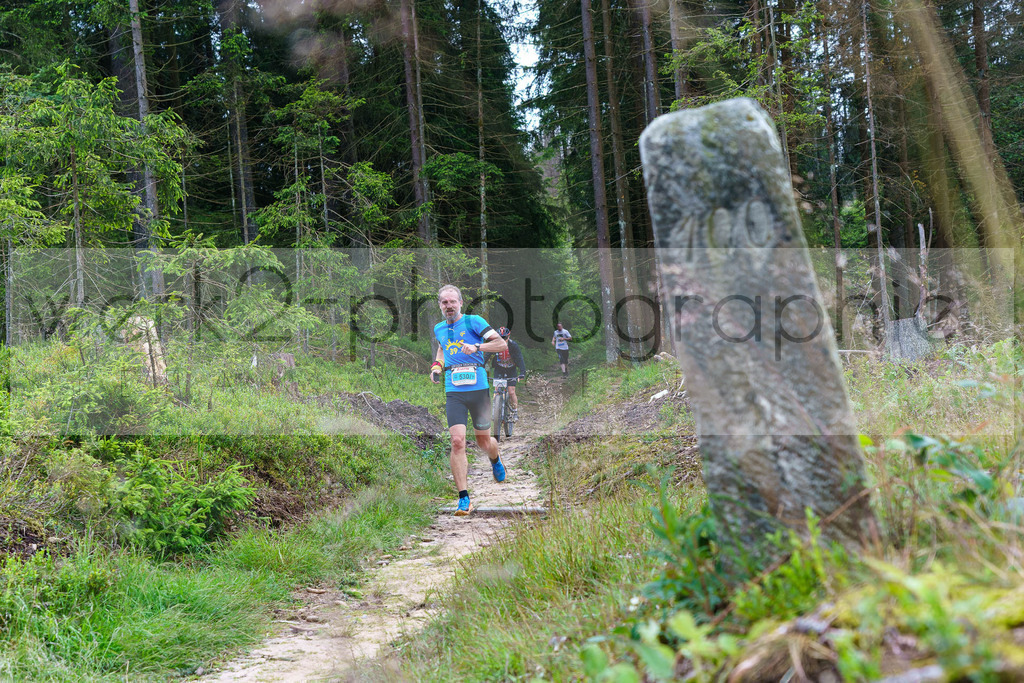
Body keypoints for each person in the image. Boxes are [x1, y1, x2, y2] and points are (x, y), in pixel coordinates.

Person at [430, 284, 508, 516]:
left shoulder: (474, 322)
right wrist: (437, 366)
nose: (449, 306)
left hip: (478, 388)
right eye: (444, 302)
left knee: (484, 442)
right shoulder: (439, 328)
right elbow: (442, 349)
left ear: (461, 302)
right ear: (440, 306)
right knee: (457, 442)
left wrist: (477, 346)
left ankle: (495, 458)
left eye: (452, 301)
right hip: (453, 390)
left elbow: (500, 344)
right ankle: (464, 499)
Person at [487, 327, 526, 421]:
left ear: (509, 336)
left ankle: (515, 412)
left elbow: (520, 358)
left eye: (505, 338)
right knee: (496, 390)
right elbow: (487, 355)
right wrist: (480, 367)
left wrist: (522, 373)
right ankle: (494, 412)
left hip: (511, 369)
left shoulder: (513, 345)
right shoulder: (494, 344)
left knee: (511, 391)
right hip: (499, 369)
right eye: (501, 338)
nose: (503, 340)